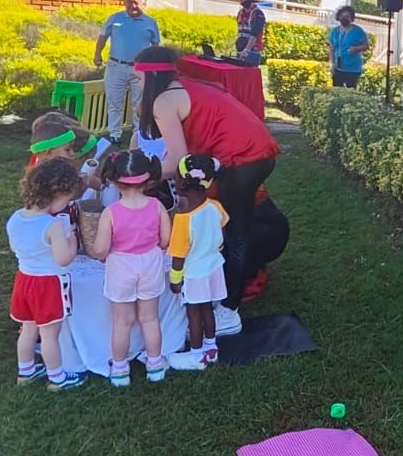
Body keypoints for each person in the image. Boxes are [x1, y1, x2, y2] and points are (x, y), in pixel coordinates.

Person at [135, 45, 280, 337]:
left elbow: (177, 160)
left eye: (136, 77)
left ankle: (228, 310)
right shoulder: (183, 86)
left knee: (237, 231)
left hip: (244, 156)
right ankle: (229, 284)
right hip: (254, 150)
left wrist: (140, 177)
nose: (135, 83)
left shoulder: (162, 102)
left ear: (148, 76)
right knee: (232, 223)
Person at [91, 150, 172, 386]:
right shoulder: (157, 206)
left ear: (115, 181)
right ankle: (155, 365)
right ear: (148, 179)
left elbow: (100, 249)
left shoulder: (111, 212)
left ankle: (119, 369)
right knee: (149, 318)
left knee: (121, 322)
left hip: (120, 266)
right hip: (150, 263)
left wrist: (98, 254)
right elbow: (165, 240)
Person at [8, 157, 86, 391]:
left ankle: (26, 372)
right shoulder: (51, 226)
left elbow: (14, 247)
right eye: (67, 199)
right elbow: (63, 259)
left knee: (28, 329)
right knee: (50, 334)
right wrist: (71, 237)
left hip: (24, 281)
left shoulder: (15, 218)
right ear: (57, 193)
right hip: (48, 285)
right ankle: (57, 378)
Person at [168, 154, 228, 369]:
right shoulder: (215, 206)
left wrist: (175, 280)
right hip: (213, 268)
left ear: (181, 182)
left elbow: (178, 256)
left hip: (194, 273)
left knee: (193, 315)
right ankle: (211, 349)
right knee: (208, 310)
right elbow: (222, 228)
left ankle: (196, 356)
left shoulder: (182, 220)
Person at [94, 0, 161, 143]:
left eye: (136, 3)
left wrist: (155, 65)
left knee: (139, 103)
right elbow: (103, 37)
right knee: (114, 101)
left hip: (140, 69)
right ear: (125, 2)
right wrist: (97, 55)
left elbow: (156, 45)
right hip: (116, 66)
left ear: (143, 3)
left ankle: (138, 134)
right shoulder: (115, 18)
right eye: (129, 2)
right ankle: (114, 134)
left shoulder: (150, 23)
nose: (133, 6)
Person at [327, 5, 369, 88]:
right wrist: (331, 64)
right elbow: (331, 49)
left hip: (353, 69)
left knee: (351, 92)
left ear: (351, 18)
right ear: (338, 17)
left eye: (347, 16)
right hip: (338, 68)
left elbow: (366, 46)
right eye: (342, 16)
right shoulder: (335, 31)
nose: (344, 18)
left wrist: (356, 48)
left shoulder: (358, 31)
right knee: (337, 92)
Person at [234, 0, 266, 66]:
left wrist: (247, 50)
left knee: (249, 72)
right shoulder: (240, 13)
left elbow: (255, 33)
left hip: (252, 50)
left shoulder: (258, 13)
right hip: (240, 48)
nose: (243, 1)